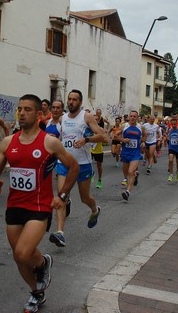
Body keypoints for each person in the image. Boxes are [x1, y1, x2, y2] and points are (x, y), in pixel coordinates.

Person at [0, 94, 79, 313]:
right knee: (19, 257)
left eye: (27, 109)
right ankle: (36, 293)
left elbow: (73, 167)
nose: (22, 113)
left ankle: (43, 263)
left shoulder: (49, 142)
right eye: (19, 109)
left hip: (39, 207)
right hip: (14, 206)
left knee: (25, 253)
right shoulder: (8, 142)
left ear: (39, 115)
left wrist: (62, 196)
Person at [49, 90, 105, 248]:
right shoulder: (62, 118)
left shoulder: (86, 117)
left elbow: (103, 137)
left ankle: (95, 210)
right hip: (65, 164)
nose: (71, 102)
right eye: (69, 99)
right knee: (61, 197)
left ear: (80, 102)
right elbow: (60, 138)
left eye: (74, 100)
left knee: (85, 198)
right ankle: (60, 232)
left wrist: (86, 139)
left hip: (83, 164)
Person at [115, 110, 146, 201]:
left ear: (137, 118)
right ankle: (135, 176)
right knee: (126, 173)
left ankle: (128, 192)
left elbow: (144, 136)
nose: (132, 118)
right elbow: (115, 137)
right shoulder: (124, 126)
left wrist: (143, 142)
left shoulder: (141, 127)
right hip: (125, 153)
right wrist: (123, 140)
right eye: (131, 116)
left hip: (135, 153)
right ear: (129, 117)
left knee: (131, 171)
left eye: (134, 116)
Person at [90, 109, 108, 188]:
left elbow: (106, 140)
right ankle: (92, 173)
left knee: (99, 166)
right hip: (90, 150)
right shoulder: (89, 128)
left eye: (97, 120)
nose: (96, 121)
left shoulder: (101, 129)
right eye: (94, 119)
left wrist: (99, 137)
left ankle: (99, 180)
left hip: (98, 150)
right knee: (87, 164)